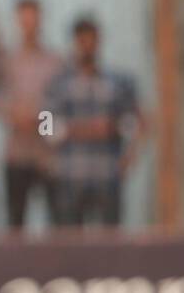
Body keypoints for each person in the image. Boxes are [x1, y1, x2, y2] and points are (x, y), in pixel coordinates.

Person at [45, 16, 145, 226]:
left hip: (107, 174)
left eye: (91, 40)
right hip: (71, 176)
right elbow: (47, 128)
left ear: (99, 41)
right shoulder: (59, 84)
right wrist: (89, 128)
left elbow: (134, 122)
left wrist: (130, 154)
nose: (87, 46)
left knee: (110, 244)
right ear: (74, 42)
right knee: (70, 246)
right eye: (82, 40)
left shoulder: (119, 83)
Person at [0, 0, 61, 229]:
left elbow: (60, 105)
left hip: (47, 156)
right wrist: (12, 114)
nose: (29, 25)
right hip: (17, 154)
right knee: (15, 223)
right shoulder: (7, 60)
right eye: (24, 19)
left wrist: (39, 121)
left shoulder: (54, 61)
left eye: (33, 18)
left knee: (56, 222)